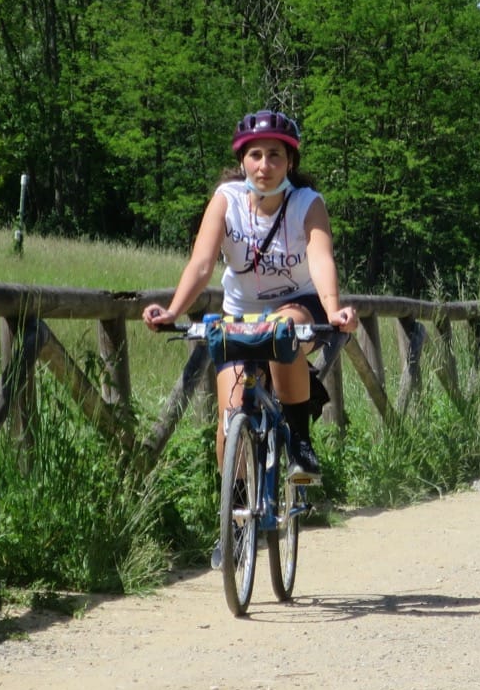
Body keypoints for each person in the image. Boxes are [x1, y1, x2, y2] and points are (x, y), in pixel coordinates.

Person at [142, 109, 359, 497]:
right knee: (229, 421)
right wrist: (173, 310)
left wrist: (334, 306)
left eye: (275, 155)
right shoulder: (226, 200)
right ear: (242, 160)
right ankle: (237, 519)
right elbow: (203, 262)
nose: (265, 165)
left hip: (299, 304)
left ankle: (299, 441)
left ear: (290, 161)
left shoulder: (307, 203)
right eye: (255, 155)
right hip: (240, 314)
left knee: (282, 330)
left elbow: (321, 258)